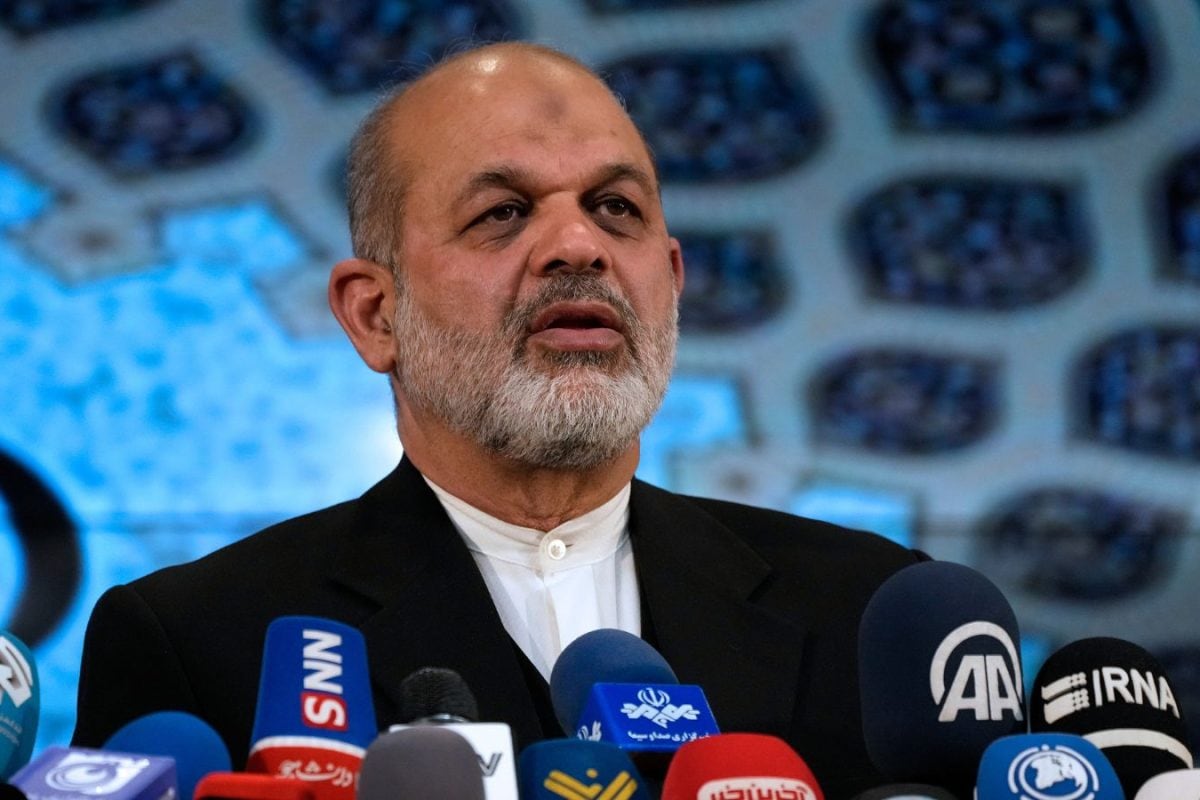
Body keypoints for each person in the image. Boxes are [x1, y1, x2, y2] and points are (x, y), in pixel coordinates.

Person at [73, 42, 923, 798]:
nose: (579, 247)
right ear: (374, 314)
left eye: (616, 207)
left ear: (670, 280)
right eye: (504, 213)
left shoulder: (872, 616)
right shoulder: (198, 643)